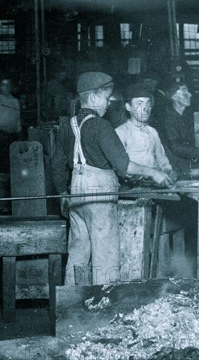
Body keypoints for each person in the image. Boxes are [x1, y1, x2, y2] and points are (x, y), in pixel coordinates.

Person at [51, 72, 173, 285]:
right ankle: (104, 304)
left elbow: (56, 166)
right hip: (100, 194)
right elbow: (123, 166)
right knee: (105, 255)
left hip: (75, 192)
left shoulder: (66, 126)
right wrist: (154, 172)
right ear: (94, 97)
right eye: (107, 98)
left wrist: (62, 192)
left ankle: (71, 302)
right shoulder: (100, 126)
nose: (108, 104)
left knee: (78, 251)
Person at [115, 82, 176, 184]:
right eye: (139, 103)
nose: (146, 109)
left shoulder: (153, 132)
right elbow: (120, 165)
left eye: (148, 104)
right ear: (128, 107)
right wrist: (153, 173)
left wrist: (168, 172)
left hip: (152, 186)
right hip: (129, 187)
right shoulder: (121, 132)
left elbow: (162, 161)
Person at [157, 81, 199, 175]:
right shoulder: (167, 119)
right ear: (174, 97)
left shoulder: (186, 116)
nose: (190, 95)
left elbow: (188, 143)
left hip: (185, 164)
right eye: (185, 92)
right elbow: (175, 147)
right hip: (173, 167)